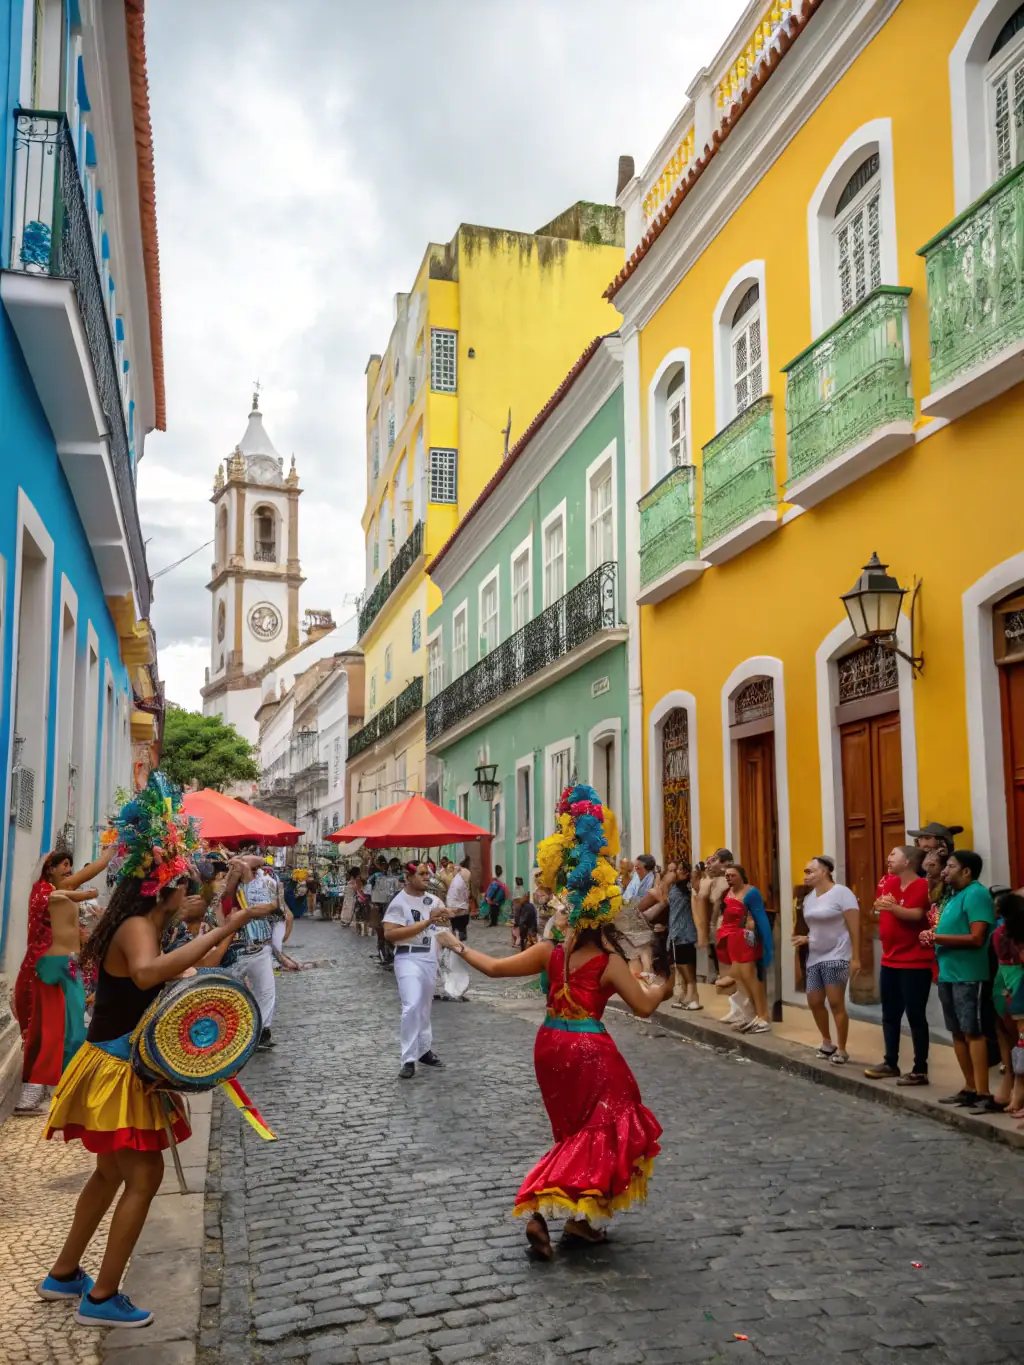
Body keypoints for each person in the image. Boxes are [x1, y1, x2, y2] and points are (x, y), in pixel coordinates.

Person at [40, 775, 255, 1328]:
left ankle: (64, 1273)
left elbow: (187, 968)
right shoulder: (138, 927)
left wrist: (224, 916)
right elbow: (146, 974)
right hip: (117, 1068)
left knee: (109, 1175)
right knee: (143, 1178)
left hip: (110, 1061)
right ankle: (101, 1297)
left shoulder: (142, 924)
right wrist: (225, 925)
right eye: (186, 888)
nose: (190, 898)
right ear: (167, 891)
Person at [437, 783, 671, 1259]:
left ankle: (581, 1221)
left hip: (548, 1044)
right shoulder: (609, 962)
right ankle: (541, 1205)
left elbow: (494, 968)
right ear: (605, 919)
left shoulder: (550, 952)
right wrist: (665, 986)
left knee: (574, 1131)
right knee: (609, 1122)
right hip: (588, 1049)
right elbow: (645, 1007)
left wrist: (455, 943)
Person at [14, 847, 115, 1114]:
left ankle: (65, 1086)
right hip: (51, 967)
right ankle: (38, 1085)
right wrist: (86, 892)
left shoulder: (59, 888)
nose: (69, 871)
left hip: (67, 966)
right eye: (64, 865)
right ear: (50, 869)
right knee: (53, 1028)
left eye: (71, 865)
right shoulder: (47, 891)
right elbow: (66, 893)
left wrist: (111, 854)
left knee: (72, 1029)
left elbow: (84, 877)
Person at [925, 850, 998, 1112]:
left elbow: (977, 938)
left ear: (967, 871)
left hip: (969, 975)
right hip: (948, 972)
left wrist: (937, 938)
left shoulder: (976, 894)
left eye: (951, 866)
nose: (945, 870)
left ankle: (984, 1093)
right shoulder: (953, 896)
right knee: (956, 1032)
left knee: (973, 1032)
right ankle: (969, 1087)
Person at [864, 846, 934, 1085]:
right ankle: (890, 1062)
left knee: (915, 1015)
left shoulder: (922, 885)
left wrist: (892, 908)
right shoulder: (889, 882)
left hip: (915, 961)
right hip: (889, 959)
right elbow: (879, 905)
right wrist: (881, 905)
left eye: (894, 855)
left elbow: (917, 914)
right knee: (889, 1014)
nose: (889, 858)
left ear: (908, 862)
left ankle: (920, 1068)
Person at [382, 862, 448, 1078]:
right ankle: (408, 1058)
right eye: (421, 874)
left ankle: (424, 1050)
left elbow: (442, 929)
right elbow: (390, 934)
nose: (427, 877)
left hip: (429, 958)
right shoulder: (399, 902)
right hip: (408, 957)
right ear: (408, 876)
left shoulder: (434, 900)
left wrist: (448, 921)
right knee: (411, 1005)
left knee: (424, 1007)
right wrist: (426, 922)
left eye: (427, 874)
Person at [792, 856, 859, 1063]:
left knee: (836, 1002)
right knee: (814, 1001)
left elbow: (855, 927)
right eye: (805, 872)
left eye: (810, 871)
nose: (806, 875)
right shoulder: (809, 898)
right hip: (815, 955)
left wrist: (856, 958)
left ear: (825, 871)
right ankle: (827, 1042)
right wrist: (806, 938)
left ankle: (842, 1049)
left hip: (837, 954)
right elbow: (815, 928)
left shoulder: (842, 893)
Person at [218, 855, 279, 1049]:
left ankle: (262, 1032)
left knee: (266, 992)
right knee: (229, 993)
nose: (254, 872)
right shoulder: (229, 893)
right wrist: (239, 867)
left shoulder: (262, 885)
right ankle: (226, 1032)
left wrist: (243, 864)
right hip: (236, 950)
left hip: (260, 948)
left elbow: (271, 907)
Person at [717, 864, 774, 1033]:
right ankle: (753, 1014)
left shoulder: (751, 892)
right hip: (731, 938)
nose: (729, 878)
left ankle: (764, 1016)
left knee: (751, 978)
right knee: (741, 978)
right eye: (727, 876)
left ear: (741, 875)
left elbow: (759, 917)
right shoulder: (729, 892)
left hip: (745, 938)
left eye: (732, 875)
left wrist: (762, 939)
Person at [991, 891, 1024, 1118]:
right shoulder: (1007, 932)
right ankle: (1013, 1085)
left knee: (1014, 1036)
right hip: (1011, 981)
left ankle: (1013, 1087)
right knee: (1014, 1036)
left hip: (1007, 981)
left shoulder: (1002, 931)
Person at [614, 854, 658, 978]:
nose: (635, 870)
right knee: (635, 949)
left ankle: (647, 972)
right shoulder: (637, 878)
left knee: (642, 946)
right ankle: (640, 974)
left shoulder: (651, 879)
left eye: (638, 868)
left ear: (645, 868)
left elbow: (644, 899)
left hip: (640, 915)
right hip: (631, 914)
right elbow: (628, 896)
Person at [667, 861, 701, 1010]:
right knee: (680, 965)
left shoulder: (686, 887)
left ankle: (693, 995)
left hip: (685, 930)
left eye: (678, 870)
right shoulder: (674, 887)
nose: (675, 873)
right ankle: (687, 994)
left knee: (686, 964)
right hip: (675, 930)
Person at [445, 857, 472, 940]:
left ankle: (457, 938)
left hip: (453, 904)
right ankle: (460, 937)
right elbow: (467, 890)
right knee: (461, 928)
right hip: (461, 907)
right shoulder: (467, 873)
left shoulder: (458, 875)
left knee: (455, 928)